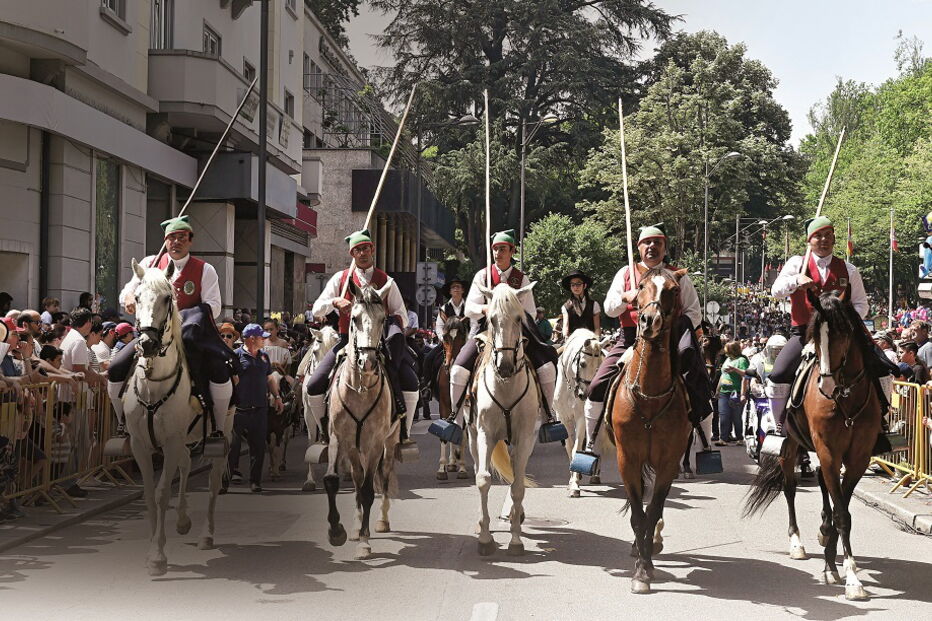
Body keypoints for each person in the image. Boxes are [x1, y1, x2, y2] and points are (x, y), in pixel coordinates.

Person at [579, 224, 712, 454]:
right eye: (647, 242)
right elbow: (609, 309)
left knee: (699, 383)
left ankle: (705, 446)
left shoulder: (677, 275)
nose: (652, 246)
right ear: (638, 247)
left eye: (657, 242)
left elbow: (694, 312)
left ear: (664, 247)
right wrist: (625, 297)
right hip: (631, 338)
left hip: (669, 339)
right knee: (597, 385)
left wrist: (670, 325)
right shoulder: (626, 273)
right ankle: (591, 446)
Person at [107, 216, 234, 449]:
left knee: (219, 371)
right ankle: (122, 424)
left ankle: (217, 427)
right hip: (152, 333)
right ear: (165, 241)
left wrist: (184, 317)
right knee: (115, 368)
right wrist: (129, 298)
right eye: (172, 237)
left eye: (182, 237)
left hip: (190, 336)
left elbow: (214, 306)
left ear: (190, 241)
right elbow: (127, 291)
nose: (177, 242)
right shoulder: (149, 263)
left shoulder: (205, 269)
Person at [304, 229, 420, 443]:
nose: (362, 253)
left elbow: (401, 315)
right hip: (346, 342)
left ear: (372, 250)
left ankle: (404, 432)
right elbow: (317, 308)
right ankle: (324, 432)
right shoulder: (340, 279)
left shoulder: (386, 281)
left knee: (411, 383)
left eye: (366, 248)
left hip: (380, 344)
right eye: (357, 250)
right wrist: (335, 302)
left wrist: (381, 316)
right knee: (314, 385)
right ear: (352, 254)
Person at [446, 229, 559, 431]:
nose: (498, 253)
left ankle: (548, 416)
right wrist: (486, 309)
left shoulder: (521, 279)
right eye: (495, 249)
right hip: (485, 332)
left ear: (512, 251)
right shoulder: (483, 276)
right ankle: (456, 419)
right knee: (457, 370)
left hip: (517, 333)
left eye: (503, 249)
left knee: (547, 368)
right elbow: (469, 308)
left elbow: (531, 313)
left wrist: (513, 314)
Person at [225, 324, 283, 494]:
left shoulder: (264, 356)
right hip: (238, 410)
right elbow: (228, 380)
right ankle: (224, 481)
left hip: (259, 409)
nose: (265, 340)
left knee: (258, 448)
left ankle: (255, 481)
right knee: (232, 447)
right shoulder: (236, 356)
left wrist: (277, 397)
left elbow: (270, 378)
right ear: (252, 339)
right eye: (261, 337)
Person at [715, 342, 748, 445]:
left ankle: (739, 438)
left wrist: (734, 369)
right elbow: (722, 375)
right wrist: (717, 390)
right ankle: (723, 439)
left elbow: (745, 375)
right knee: (723, 416)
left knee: (736, 417)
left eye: (727, 350)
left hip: (736, 392)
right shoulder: (727, 360)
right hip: (724, 392)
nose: (726, 353)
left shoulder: (742, 360)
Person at [559, 269, 601, 340]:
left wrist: (596, 340)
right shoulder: (565, 307)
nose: (575, 287)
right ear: (570, 287)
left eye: (578, 284)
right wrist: (566, 337)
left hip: (591, 340)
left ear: (584, 285)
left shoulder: (594, 305)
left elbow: (597, 328)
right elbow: (566, 326)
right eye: (573, 285)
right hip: (573, 340)